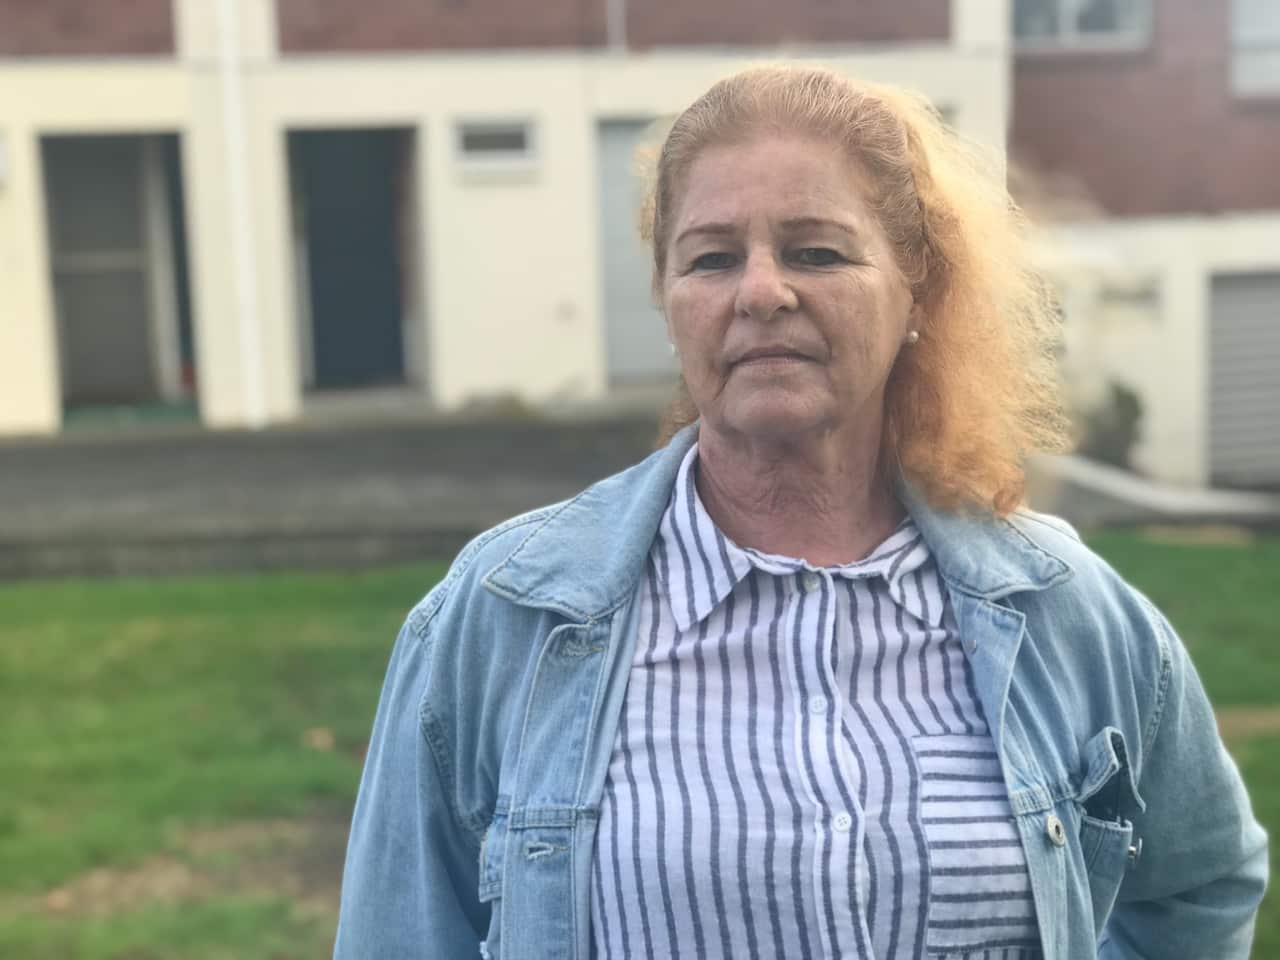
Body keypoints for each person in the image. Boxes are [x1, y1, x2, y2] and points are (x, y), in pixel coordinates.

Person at [333, 65, 1267, 959]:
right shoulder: (506, 616)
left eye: (817, 251)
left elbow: (1204, 879)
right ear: (667, 300)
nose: (762, 291)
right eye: (711, 257)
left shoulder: (1067, 616)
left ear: (916, 292)